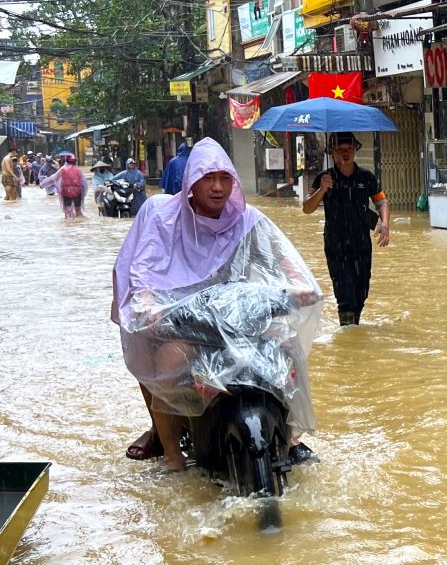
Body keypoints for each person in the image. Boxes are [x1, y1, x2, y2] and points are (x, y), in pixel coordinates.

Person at [113, 139, 323, 472]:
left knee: (285, 342)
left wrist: (301, 286)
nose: (217, 187)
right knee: (168, 360)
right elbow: (143, 269)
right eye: (207, 178)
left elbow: (279, 258)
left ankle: (291, 436)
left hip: (235, 316)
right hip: (182, 319)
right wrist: (147, 304)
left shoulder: (247, 219)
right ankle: (171, 454)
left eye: (224, 178)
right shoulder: (161, 215)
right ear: (190, 182)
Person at [302, 132, 390, 327]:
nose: (345, 153)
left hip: (361, 244)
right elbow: (307, 208)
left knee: (361, 293)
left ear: (356, 150)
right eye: (340, 149)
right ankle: (348, 334)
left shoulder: (366, 177)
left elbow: (381, 202)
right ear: (332, 153)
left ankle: (354, 327)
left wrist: (385, 225)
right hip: (336, 246)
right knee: (345, 295)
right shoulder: (323, 178)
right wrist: (321, 190)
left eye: (349, 148)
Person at [52, 153, 87, 219]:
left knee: (67, 211)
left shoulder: (63, 169)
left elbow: (54, 178)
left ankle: (68, 225)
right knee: (78, 211)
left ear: (66, 162)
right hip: (77, 192)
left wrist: (43, 184)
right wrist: (83, 194)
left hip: (66, 192)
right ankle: (79, 224)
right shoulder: (78, 170)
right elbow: (83, 183)